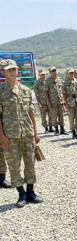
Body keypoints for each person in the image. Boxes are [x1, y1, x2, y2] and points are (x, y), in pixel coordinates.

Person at [0, 59, 43, 207]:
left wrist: (36, 132)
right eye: (9, 70)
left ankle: (31, 192)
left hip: (28, 133)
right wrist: (2, 136)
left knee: (30, 163)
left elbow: (31, 113)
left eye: (14, 69)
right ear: (3, 72)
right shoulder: (1, 92)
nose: (12, 72)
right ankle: (21, 193)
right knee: (14, 165)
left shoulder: (25, 90)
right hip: (10, 135)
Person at [44, 66, 68, 136]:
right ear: (50, 72)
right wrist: (48, 102)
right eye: (52, 71)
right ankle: (56, 130)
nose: (54, 72)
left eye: (55, 70)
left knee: (61, 116)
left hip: (60, 101)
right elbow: (46, 92)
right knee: (54, 116)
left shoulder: (60, 79)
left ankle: (62, 129)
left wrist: (64, 100)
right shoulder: (47, 81)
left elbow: (62, 91)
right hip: (53, 102)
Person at [62, 68, 77, 139]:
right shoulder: (65, 83)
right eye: (70, 73)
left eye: (72, 73)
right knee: (71, 118)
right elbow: (64, 95)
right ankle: (74, 133)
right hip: (70, 102)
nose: (72, 74)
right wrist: (66, 104)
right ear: (67, 74)